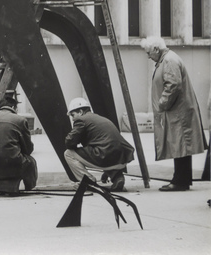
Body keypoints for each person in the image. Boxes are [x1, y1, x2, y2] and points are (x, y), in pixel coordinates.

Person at [140, 36, 208, 191]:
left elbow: (173, 85)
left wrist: (162, 104)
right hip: (177, 111)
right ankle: (181, 180)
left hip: (178, 112)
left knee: (181, 146)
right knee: (180, 146)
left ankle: (180, 181)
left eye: (149, 52)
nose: (148, 56)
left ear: (156, 49)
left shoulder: (169, 61)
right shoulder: (167, 59)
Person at [64, 97, 135, 192]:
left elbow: (69, 141)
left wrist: (75, 142)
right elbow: (106, 142)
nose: (73, 119)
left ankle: (88, 182)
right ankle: (118, 178)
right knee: (100, 148)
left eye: (73, 115)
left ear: (80, 112)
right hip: (123, 157)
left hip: (106, 155)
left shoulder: (81, 120)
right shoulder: (100, 118)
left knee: (68, 153)